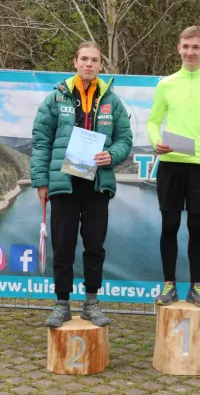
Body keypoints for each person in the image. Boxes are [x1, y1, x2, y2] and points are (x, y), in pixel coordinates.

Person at [31, 41, 132, 327]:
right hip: (64, 182)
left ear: (101, 66)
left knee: (94, 245)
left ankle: (91, 303)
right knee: (63, 245)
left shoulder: (112, 100)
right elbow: (41, 142)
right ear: (75, 62)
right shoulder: (56, 98)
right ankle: (61, 303)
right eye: (84, 59)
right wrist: (41, 181)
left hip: (97, 184)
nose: (89, 64)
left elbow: (125, 139)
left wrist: (111, 155)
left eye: (95, 60)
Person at [147, 26, 200, 308]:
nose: (190, 52)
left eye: (196, 47)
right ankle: (168, 285)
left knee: (197, 226)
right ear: (178, 48)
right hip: (171, 163)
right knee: (169, 225)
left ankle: (197, 287)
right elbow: (152, 121)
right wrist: (156, 141)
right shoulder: (166, 84)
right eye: (186, 46)